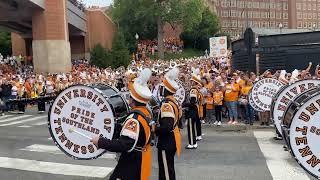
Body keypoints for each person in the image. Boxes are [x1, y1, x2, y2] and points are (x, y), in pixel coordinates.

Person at [91, 68, 153, 180]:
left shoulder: (134, 120)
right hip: (140, 159)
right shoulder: (146, 113)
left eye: (130, 96)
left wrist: (100, 142)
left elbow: (124, 145)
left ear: (132, 100)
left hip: (131, 164)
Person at [156, 68, 182, 180]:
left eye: (162, 87)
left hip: (166, 141)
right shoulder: (173, 101)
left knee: (166, 172)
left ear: (166, 90)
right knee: (169, 169)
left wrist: (153, 128)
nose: (160, 88)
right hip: (172, 138)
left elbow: (167, 127)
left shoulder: (166, 104)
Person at [190, 68, 203, 141]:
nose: (190, 82)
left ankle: (197, 135)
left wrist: (185, 105)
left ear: (194, 82)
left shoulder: (194, 90)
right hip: (197, 107)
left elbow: (193, 101)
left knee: (193, 123)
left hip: (194, 108)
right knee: (198, 122)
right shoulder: (197, 89)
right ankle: (199, 135)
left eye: (191, 81)